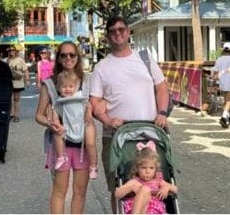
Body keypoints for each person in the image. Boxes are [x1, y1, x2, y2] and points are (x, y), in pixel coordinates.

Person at [90, 16, 170, 212]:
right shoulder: (101, 68)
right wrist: (107, 120)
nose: (118, 34)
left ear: (128, 32)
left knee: (156, 182)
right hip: (117, 136)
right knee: (119, 187)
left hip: (150, 132)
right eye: (112, 31)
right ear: (107, 36)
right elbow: (94, 101)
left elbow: (161, 88)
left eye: (121, 29)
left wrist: (162, 112)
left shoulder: (145, 58)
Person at [35, 41, 92, 214]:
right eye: (63, 55)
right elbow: (39, 115)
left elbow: (95, 106)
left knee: (80, 191)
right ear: (58, 58)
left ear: (78, 57)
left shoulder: (87, 81)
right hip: (61, 145)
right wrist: (51, 124)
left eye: (72, 55)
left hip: (82, 145)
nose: (68, 58)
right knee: (60, 191)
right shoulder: (50, 83)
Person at [50, 70, 98, 180]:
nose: (67, 89)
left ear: (76, 87)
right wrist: (56, 123)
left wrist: (89, 113)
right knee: (57, 134)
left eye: (71, 86)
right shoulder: (59, 101)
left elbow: (88, 104)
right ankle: (61, 156)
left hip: (83, 124)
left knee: (90, 142)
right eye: (64, 87)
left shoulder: (80, 96)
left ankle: (93, 165)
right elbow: (55, 113)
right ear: (58, 88)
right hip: (68, 127)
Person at [114, 142, 177, 215]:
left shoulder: (158, 181)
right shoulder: (135, 182)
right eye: (144, 168)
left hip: (155, 211)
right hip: (138, 209)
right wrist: (131, 188)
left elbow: (175, 189)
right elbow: (117, 194)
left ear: (155, 169)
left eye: (151, 168)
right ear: (137, 168)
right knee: (145, 189)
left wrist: (167, 187)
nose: (147, 171)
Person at [6, 45, 29, 122]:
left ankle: (16, 115)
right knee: (10, 98)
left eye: (12, 50)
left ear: (15, 51)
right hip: (9, 81)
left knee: (16, 99)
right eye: (9, 50)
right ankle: (11, 114)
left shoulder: (20, 60)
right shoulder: (6, 60)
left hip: (18, 81)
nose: (11, 51)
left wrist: (27, 80)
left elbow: (25, 70)